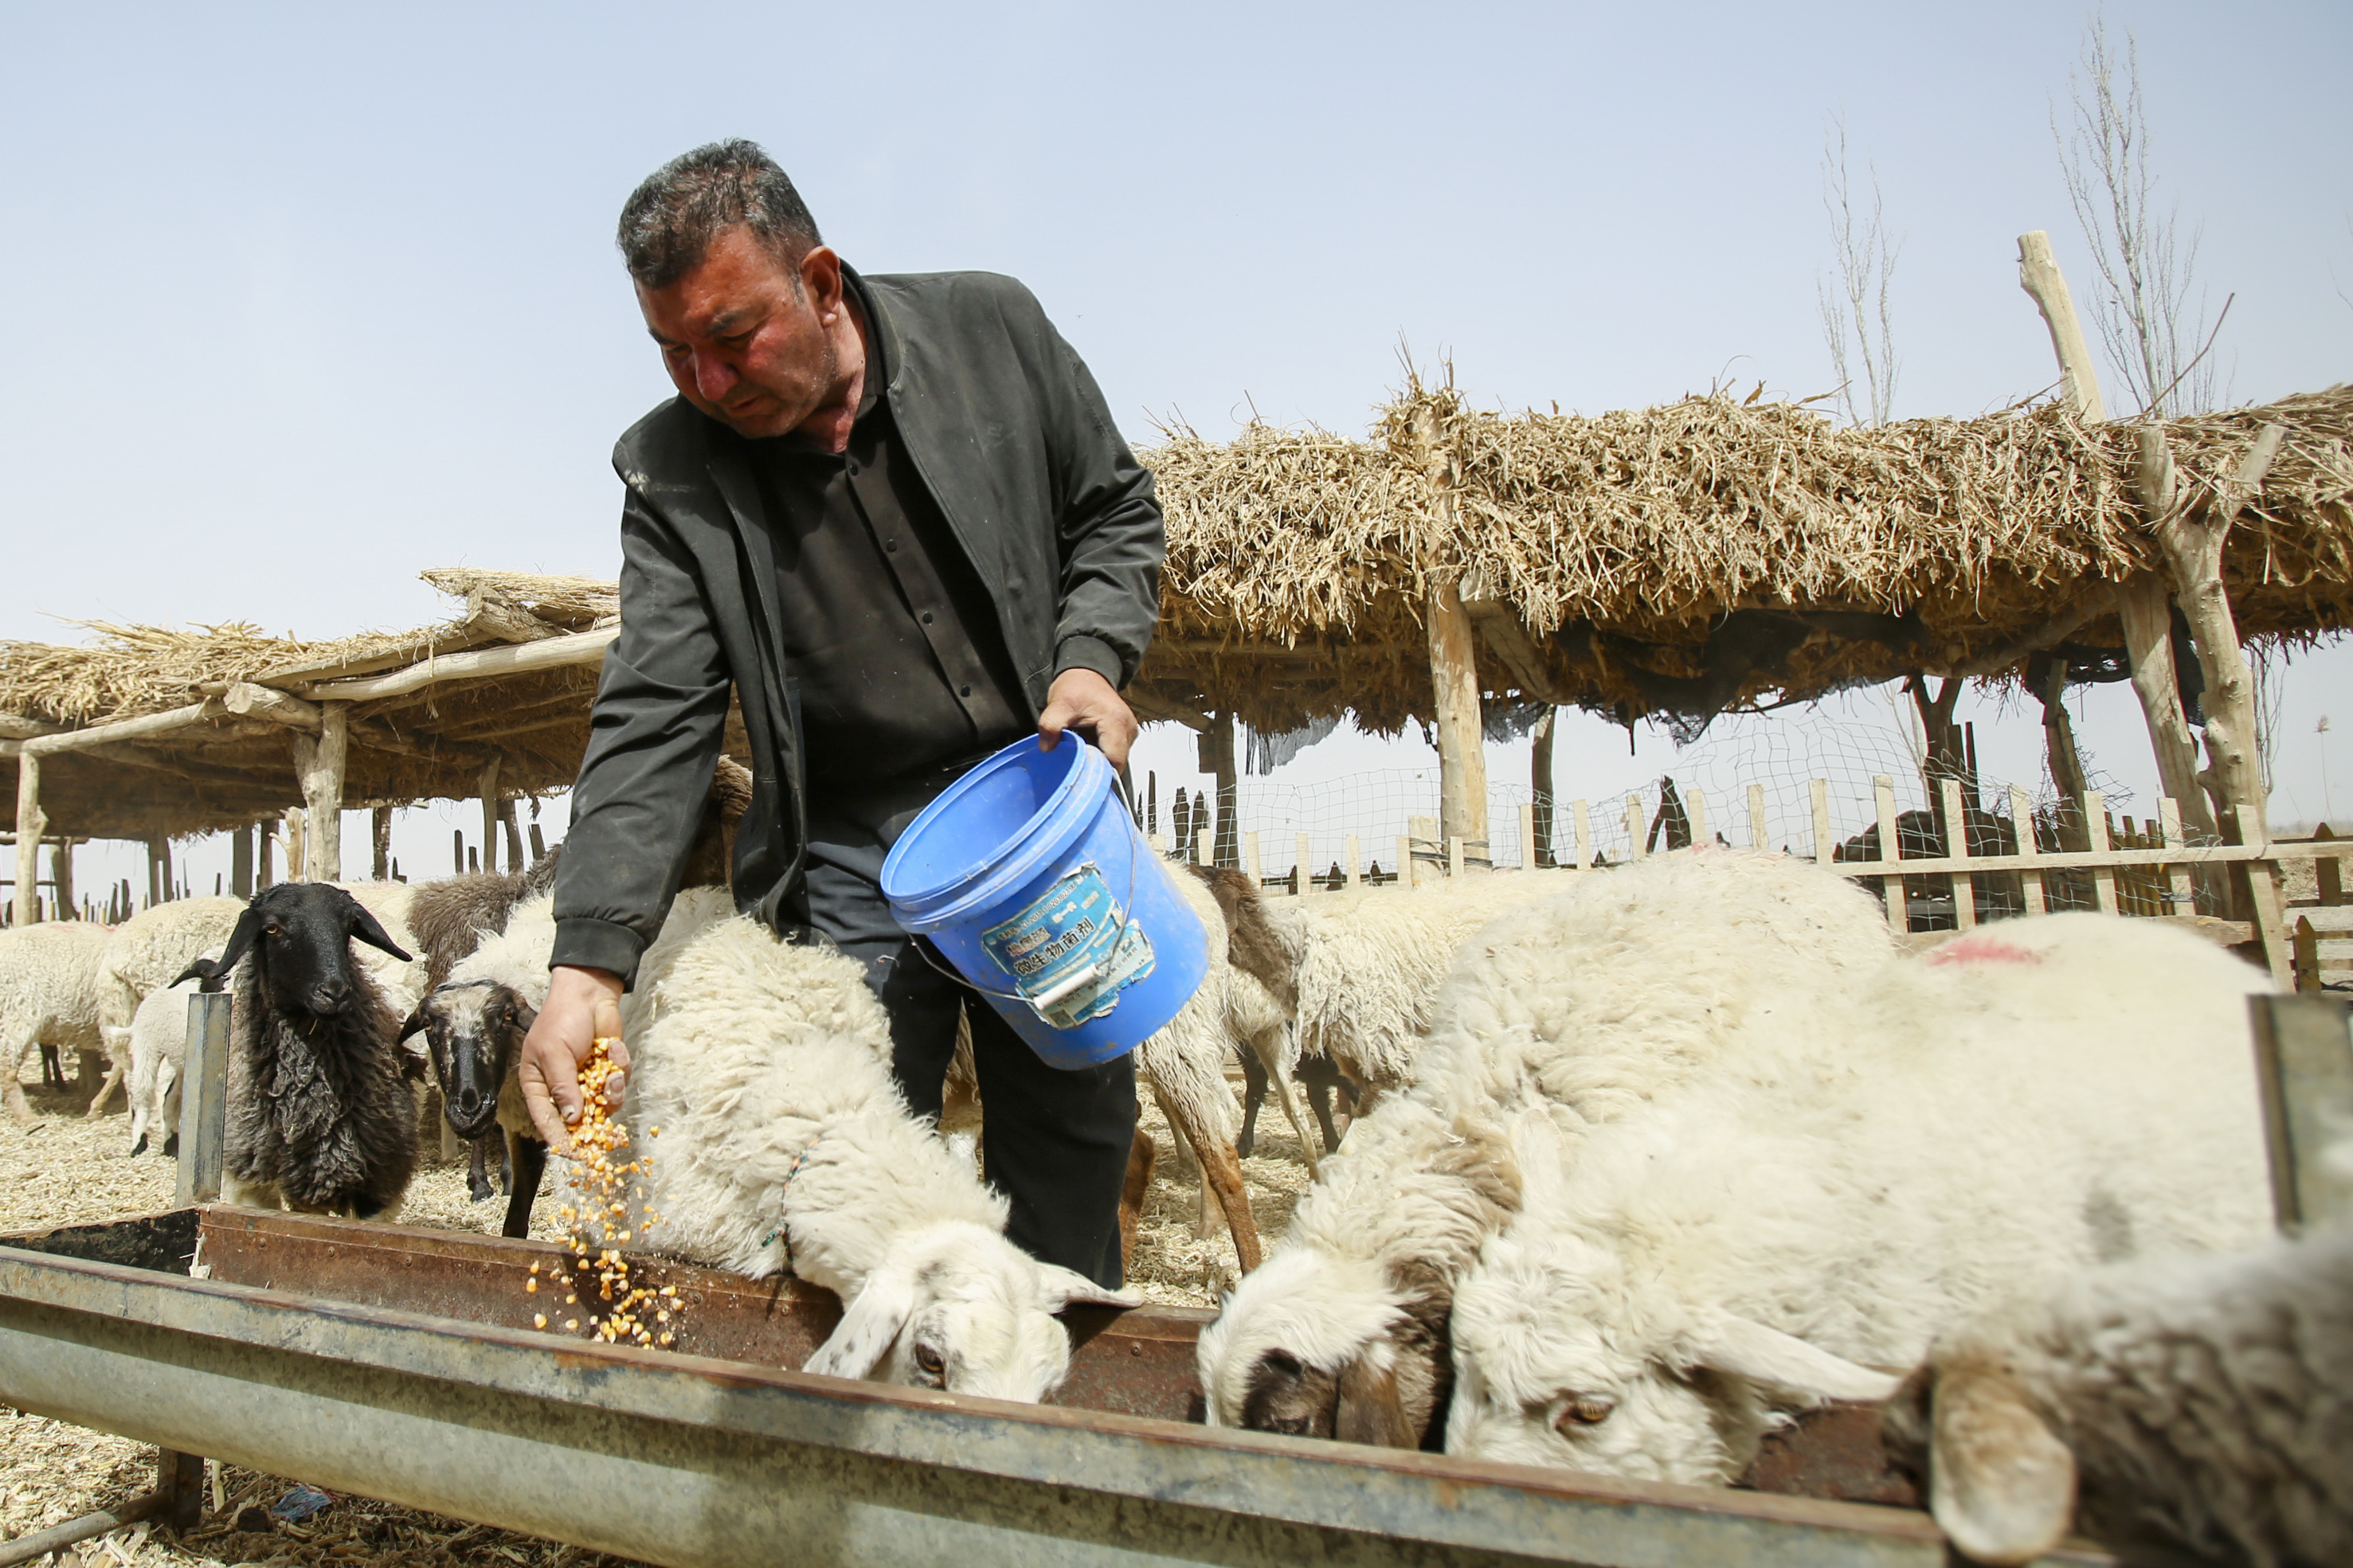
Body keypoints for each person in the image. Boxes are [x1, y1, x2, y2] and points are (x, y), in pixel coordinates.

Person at [517, 139, 1164, 1288]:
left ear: (819, 283)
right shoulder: (673, 473)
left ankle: (1054, 1374)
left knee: (1071, 1152)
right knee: (855, 1173)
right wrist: (588, 964)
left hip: (1033, 820)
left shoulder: (991, 333)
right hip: (852, 857)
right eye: (672, 352)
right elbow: (653, 712)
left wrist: (1090, 660)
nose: (708, 383)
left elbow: (1112, 511)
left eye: (731, 338)